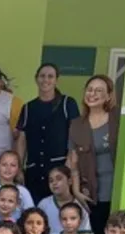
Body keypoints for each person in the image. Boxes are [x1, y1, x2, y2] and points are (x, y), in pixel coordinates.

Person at [68, 75, 120, 234]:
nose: (92, 94)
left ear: (108, 96)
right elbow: (73, 161)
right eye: (90, 89)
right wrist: (75, 190)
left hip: (118, 187)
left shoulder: (118, 119)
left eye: (99, 90)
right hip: (92, 191)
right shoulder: (77, 124)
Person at [16, 63, 80, 202]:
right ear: (36, 79)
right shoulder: (28, 108)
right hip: (34, 172)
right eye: (42, 76)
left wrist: (68, 166)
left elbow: (75, 135)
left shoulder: (67, 103)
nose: (46, 80)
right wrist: (19, 168)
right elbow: (22, 139)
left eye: (50, 76)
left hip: (59, 171)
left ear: (57, 80)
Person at [37, 166, 92, 234]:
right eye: (51, 181)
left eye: (59, 179)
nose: (54, 183)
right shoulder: (44, 204)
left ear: (69, 181)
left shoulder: (80, 204)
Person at [0, 151, 34, 217]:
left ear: (18, 169)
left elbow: (31, 214)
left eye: (13, 165)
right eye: (4, 165)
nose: (8, 168)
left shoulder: (23, 191)